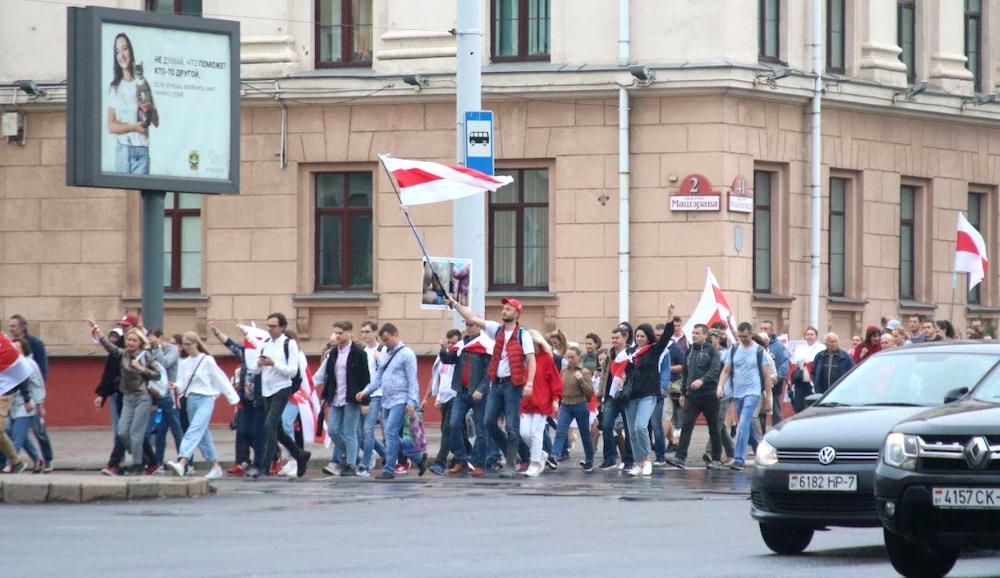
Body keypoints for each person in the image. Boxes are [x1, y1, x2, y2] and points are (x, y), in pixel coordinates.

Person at [448, 296, 537, 479]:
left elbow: (531, 360)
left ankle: (511, 465)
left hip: (513, 385)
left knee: (512, 426)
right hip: (496, 384)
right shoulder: (496, 330)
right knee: (488, 422)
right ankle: (513, 455)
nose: (504, 311)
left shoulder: (523, 335)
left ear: (517, 313)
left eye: (508, 309)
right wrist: (455, 304)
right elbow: (472, 318)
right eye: (503, 308)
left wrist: (529, 383)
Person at [86, 314, 161, 475]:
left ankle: (139, 465)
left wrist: (141, 368)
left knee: (135, 434)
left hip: (142, 398)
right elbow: (107, 344)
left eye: (134, 340)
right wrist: (95, 327)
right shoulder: (123, 354)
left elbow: (157, 375)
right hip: (127, 397)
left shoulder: (145, 355)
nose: (130, 343)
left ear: (140, 342)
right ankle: (147, 460)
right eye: (128, 340)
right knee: (121, 432)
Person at [165, 332, 240, 479]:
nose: (186, 348)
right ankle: (215, 466)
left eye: (189, 344)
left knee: (194, 430)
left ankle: (182, 462)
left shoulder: (207, 360)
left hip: (206, 399)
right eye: (184, 345)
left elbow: (221, 379)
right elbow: (182, 381)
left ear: (196, 343)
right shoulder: (184, 362)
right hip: (190, 399)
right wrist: (175, 385)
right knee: (203, 434)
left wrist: (234, 399)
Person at [356, 323, 423, 480]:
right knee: (389, 434)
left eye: (387, 339)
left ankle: (389, 469)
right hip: (386, 399)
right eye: (383, 340)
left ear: (395, 334)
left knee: (391, 432)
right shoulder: (385, 352)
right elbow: (379, 377)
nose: (385, 343)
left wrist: (411, 402)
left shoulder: (407, 354)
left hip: (401, 398)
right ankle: (418, 457)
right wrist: (366, 391)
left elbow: (413, 380)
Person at [256, 313, 311, 479]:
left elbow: (292, 371)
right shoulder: (264, 343)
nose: (270, 329)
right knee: (278, 430)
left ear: (282, 327)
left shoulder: (289, 344)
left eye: (273, 326)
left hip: (282, 388)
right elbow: (256, 368)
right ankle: (300, 454)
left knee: (269, 425)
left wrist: (273, 363)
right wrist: (259, 364)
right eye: (268, 325)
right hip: (267, 389)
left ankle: (265, 465)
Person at [210, 320, 267, 476]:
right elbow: (230, 344)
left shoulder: (264, 356)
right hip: (245, 400)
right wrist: (217, 333)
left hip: (259, 401)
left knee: (257, 432)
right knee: (242, 431)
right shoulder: (244, 354)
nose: (247, 344)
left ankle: (262, 461)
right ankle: (241, 461)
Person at [623, 310, 675, 476]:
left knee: (640, 427)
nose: (639, 339)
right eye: (637, 336)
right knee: (632, 433)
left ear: (648, 337)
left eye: (642, 336)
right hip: (630, 396)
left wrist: (669, 317)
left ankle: (647, 459)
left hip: (648, 395)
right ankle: (637, 462)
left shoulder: (654, 350)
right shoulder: (630, 353)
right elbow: (621, 370)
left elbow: (666, 336)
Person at [316, 321, 371, 478]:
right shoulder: (333, 354)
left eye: (340, 333)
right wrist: (325, 397)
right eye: (336, 333)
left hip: (351, 398)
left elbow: (364, 378)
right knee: (333, 429)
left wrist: (365, 401)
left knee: (349, 432)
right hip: (335, 398)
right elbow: (329, 378)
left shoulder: (359, 353)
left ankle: (350, 465)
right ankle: (353, 454)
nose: (337, 336)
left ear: (348, 333)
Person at [716, 322, 772, 471]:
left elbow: (766, 376)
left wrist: (768, 398)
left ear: (751, 334)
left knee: (743, 424)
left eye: (745, 336)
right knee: (746, 425)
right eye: (740, 336)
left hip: (753, 392)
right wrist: (720, 386)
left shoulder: (759, 351)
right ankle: (761, 451)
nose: (743, 339)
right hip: (738, 392)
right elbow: (726, 370)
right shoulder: (734, 350)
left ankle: (739, 458)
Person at [440, 321, 494, 476]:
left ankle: (479, 464)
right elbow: (448, 360)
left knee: (481, 430)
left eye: (471, 325)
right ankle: (461, 458)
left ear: (478, 326)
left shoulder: (485, 345)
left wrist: (481, 389)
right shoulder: (461, 345)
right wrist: (443, 348)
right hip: (461, 391)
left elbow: (489, 372)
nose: (468, 327)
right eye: (467, 325)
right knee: (454, 425)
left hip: (478, 394)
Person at [666, 324, 723, 470]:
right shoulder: (689, 351)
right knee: (686, 425)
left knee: (713, 428)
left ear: (705, 335)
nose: (694, 335)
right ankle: (680, 457)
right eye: (693, 332)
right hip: (692, 396)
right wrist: (684, 392)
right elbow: (685, 372)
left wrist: (702, 380)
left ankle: (716, 458)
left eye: (697, 333)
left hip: (709, 395)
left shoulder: (712, 351)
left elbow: (715, 370)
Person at [107, 33, 158, 174]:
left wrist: (149, 109)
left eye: (124, 49)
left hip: (142, 151)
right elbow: (111, 126)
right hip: (122, 150)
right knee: (123, 195)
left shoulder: (142, 82)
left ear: (131, 51)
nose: (121, 55)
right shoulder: (115, 87)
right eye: (117, 51)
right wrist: (134, 127)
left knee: (140, 195)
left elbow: (156, 122)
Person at [7, 315, 52, 472]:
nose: (11, 329)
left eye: (13, 326)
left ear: (22, 327)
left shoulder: (35, 344)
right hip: (14, 398)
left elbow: (41, 371)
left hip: (32, 396)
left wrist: (39, 401)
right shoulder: (9, 345)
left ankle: (48, 459)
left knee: (39, 431)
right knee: (17, 432)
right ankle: (36, 459)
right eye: (10, 326)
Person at [519, 330, 562, 477]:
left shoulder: (547, 359)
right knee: (524, 432)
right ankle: (541, 453)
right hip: (526, 401)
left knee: (536, 433)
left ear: (536, 343)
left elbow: (555, 380)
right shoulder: (524, 359)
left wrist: (555, 400)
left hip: (542, 401)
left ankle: (535, 463)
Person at [551, 346, 595, 471]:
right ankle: (554, 456)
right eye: (568, 357)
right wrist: (556, 401)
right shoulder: (564, 371)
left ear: (579, 357)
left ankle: (589, 460)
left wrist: (580, 379)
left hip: (580, 404)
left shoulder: (584, 372)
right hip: (565, 404)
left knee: (584, 433)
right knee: (560, 431)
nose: (570, 360)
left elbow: (590, 392)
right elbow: (559, 387)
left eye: (572, 357)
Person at [598, 324, 634, 471]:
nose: (614, 340)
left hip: (626, 396)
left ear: (625, 338)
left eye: (617, 338)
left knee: (628, 428)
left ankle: (629, 459)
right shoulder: (610, 355)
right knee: (606, 425)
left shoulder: (631, 354)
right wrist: (600, 395)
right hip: (611, 396)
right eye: (612, 338)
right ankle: (610, 458)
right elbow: (604, 375)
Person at [427, 329, 460, 476]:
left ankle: (440, 463)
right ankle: (461, 457)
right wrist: (438, 398)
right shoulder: (442, 357)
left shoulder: (459, 355)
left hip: (455, 396)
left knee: (447, 429)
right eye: (449, 343)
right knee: (451, 430)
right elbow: (439, 379)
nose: (451, 345)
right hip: (444, 397)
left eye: (454, 343)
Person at [148, 329, 182, 470]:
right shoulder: (150, 350)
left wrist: (156, 348)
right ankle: (158, 462)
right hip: (158, 394)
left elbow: (165, 363)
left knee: (176, 429)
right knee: (160, 430)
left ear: (159, 337)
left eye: (152, 337)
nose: (149, 340)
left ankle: (185, 462)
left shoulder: (172, 349)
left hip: (171, 394)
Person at [357, 320, 387, 477]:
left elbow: (387, 370)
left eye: (367, 331)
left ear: (375, 333)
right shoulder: (362, 351)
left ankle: (365, 465)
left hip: (378, 394)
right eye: (362, 332)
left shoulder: (381, 349)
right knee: (361, 432)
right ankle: (388, 456)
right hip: (365, 394)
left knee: (368, 430)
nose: (364, 335)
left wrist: (379, 358)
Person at [758, 321, 789, 427]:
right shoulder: (756, 346)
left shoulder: (780, 347)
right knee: (760, 413)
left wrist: (777, 378)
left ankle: (778, 435)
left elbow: (784, 364)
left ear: (772, 331)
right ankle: (760, 436)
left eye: (766, 329)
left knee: (775, 411)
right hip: (760, 385)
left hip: (774, 385)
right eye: (761, 328)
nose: (763, 331)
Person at [790, 327, 825, 414]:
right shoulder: (800, 348)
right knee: (799, 406)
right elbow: (794, 362)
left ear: (816, 336)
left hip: (814, 380)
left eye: (811, 334)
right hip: (800, 379)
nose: (809, 336)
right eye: (807, 334)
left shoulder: (822, 348)